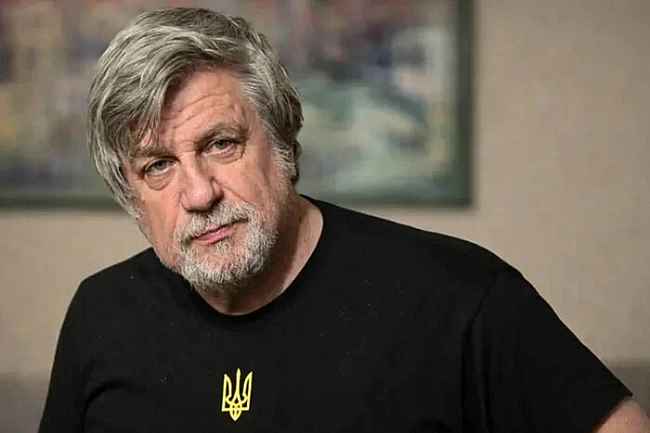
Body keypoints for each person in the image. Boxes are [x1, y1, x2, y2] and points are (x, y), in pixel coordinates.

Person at [39, 7, 650, 433]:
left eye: (221, 144)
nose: (198, 194)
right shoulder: (100, 314)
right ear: (131, 196)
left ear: (282, 144)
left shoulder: (462, 297)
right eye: (158, 166)